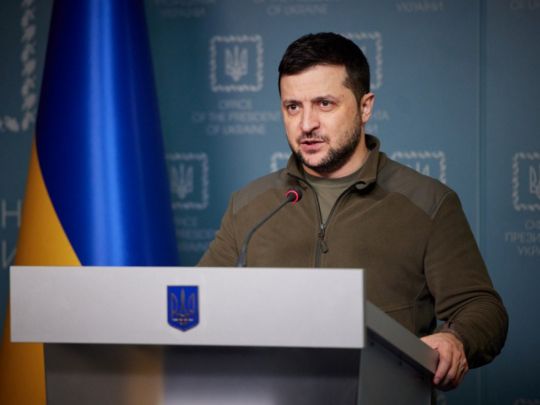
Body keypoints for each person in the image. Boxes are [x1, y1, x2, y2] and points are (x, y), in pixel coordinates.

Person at [198, 32, 508, 391]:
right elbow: (200, 303)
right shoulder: (249, 206)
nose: (306, 124)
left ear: (365, 107)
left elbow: (482, 308)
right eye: (293, 107)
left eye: (324, 104)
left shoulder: (428, 202)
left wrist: (456, 339)